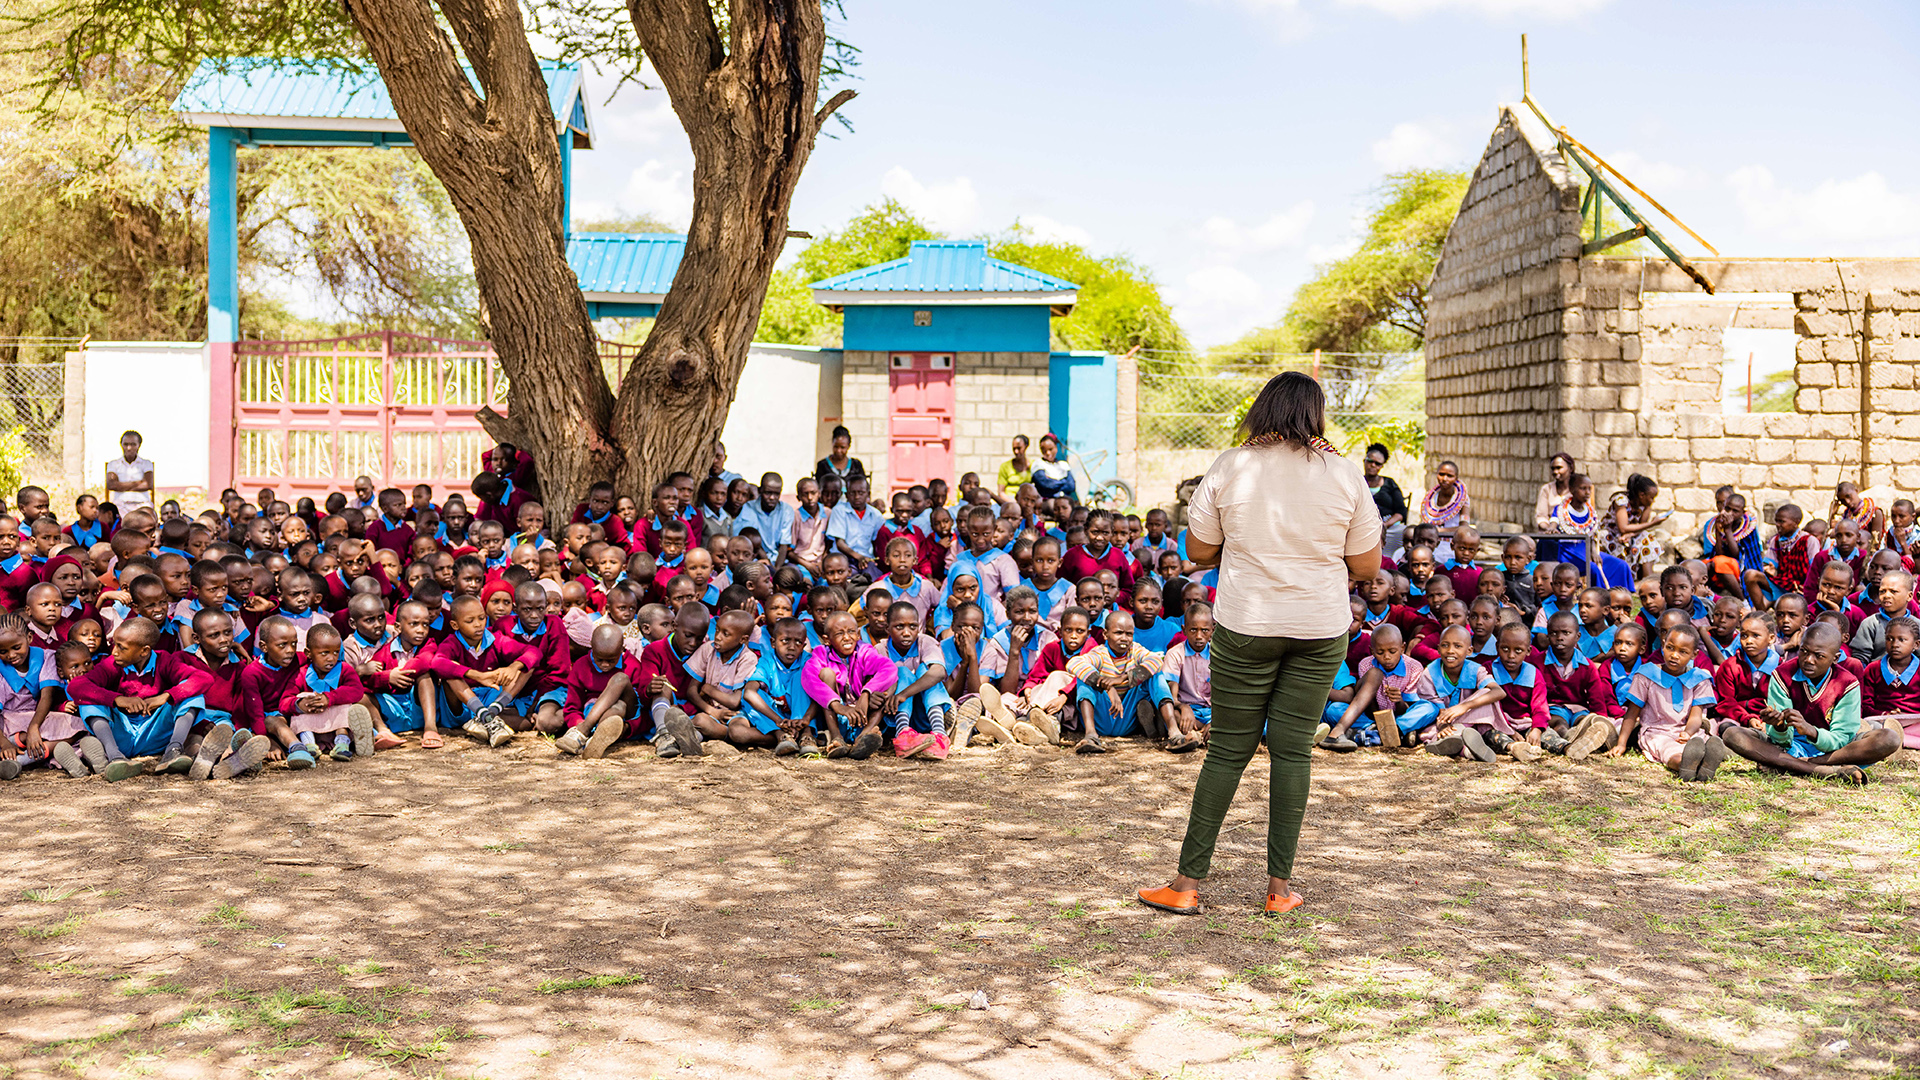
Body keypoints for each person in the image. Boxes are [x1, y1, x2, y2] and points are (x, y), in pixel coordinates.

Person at [1138, 372, 1380, 919]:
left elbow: (1198, 550)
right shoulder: (1344, 473)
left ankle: (1185, 885)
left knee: (1227, 750)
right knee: (1293, 753)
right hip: (1319, 629)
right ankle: (1278, 891)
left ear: (1261, 410)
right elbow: (1366, 566)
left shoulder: (1230, 464)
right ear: (1317, 415)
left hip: (1246, 625)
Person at [1361, 443, 1408, 558]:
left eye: (1377, 463)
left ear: (1381, 466)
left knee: (1404, 533)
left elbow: (1401, 512)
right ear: (1364, 461)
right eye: (1370, 461)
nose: (1373, 465)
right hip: (1363, 526)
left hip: (1390, 528)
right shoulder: (1358, 482)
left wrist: (1385, 525)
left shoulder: (1389, 484)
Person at [104, 430, 156, 514]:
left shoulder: (146, 464)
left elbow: (148, 484)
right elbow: (111, 485)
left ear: (139, 445)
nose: (129, 448)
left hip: (142, 503)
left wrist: (121, 485)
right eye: (126, 444)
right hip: (120, 504)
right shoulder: (113, 464)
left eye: (133, 444)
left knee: (147, 519)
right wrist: (138, 483)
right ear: (121, 444)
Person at [1418, 461, 1470, 539]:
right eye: (1441, 474)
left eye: (1450, 476)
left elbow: (1464, 528)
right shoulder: (1430, 498)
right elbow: (1424, 522)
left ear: (1456, 478)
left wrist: (1439, 530)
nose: (1444, 479)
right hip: (1430, 540)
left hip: (1452, 542)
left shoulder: (1462, 499)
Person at [1533, 453, 1576, 530]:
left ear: (1571, 468)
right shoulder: (1547, 489)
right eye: (1553, 469)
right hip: (1550, 534)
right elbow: (1541, 517)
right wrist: (1550, 529)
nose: (1555, 472)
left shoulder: (1578, 490)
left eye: (1559, 468)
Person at [1029, 433, 1077, 502]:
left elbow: (1071, 486)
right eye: (1044, 450)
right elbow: (1047, 485)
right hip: (1047, 501)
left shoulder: (1064, 465)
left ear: (1056, 448)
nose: (1048, 453)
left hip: (1065, 499)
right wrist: (1064, 481)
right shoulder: (1038, 464)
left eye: (1050, 449)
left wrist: (1056, 483)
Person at [997, 435, 1034, 500]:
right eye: (1014, 449)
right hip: (1010, 499)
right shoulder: (1005, 466)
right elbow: (1001, 492)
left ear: (1026, 446)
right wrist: (1012, 503)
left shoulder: (1033, 465)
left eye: (1019, 448)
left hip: (1027, 500)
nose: (1016, 452)